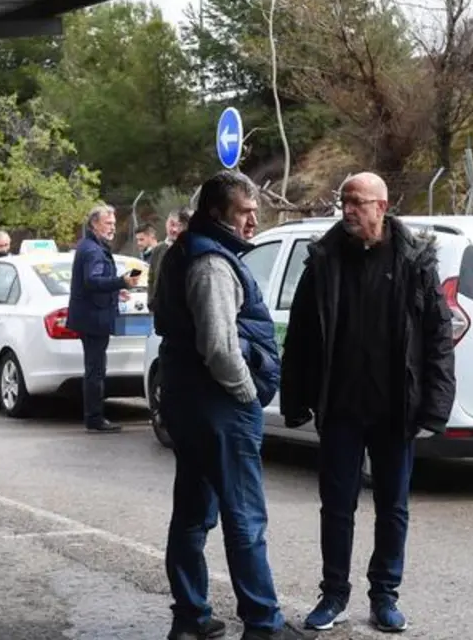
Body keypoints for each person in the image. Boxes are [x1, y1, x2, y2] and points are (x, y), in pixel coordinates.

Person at [281, 172, 456, 634]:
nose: (348, 210)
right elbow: (300, 336)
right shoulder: (324, 260)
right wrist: (295, 400)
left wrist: (435, 406)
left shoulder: (415, 261)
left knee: (393, 507)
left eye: (357, 202)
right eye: (344, 201)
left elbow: (438, 336)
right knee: (336, 506)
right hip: (340, 408)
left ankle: (385, 596)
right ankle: (334, 594)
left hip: (395, 408)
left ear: (382, 206)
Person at [155, 171, 299, 640]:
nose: (253, 221)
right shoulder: (212, 264)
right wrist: (247, 394)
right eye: (244, 212)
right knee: (244, 518)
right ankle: (262, 623)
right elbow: (218, 346)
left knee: (193, 512)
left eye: (256, 211)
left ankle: (191, 617)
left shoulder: (189, 250)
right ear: (217, 213)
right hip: (218, 405)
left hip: (189, 400)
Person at [67, 204, 139, 433]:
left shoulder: (91, 246)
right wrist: (121, 282)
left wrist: (116, 290)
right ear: (94, 224)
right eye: (108, 223)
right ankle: (95, 418)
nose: (112, 228)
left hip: (94, 316)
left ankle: (94, 417)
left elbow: (94, 283)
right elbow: (92, 281)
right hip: (94, 319)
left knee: (95, 368)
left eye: (114, 223)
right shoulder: (92, 250)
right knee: (95, 370)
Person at [147, 208, 191, 315]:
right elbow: (151, 277)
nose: (174, 229)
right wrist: (151, 301)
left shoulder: (189, 249)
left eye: (179, 225)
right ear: (166, 224)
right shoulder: (158, 249)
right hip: (161, 310)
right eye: (172, 224)